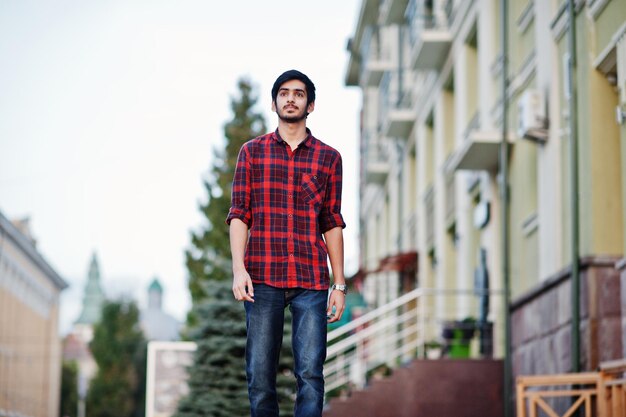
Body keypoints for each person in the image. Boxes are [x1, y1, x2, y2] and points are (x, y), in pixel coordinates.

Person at [226, 69, 347, 417]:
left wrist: (338, 284)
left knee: (310, 373)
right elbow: (239, 215)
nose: (290, 98)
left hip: (310, 279)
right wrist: (239, 269)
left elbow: (332, 222)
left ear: (311, 104)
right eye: (283, 92)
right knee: (260, 376)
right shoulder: (252, 153)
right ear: (275, 101)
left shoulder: (329, 158)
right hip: (262, 277)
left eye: (298, 93)